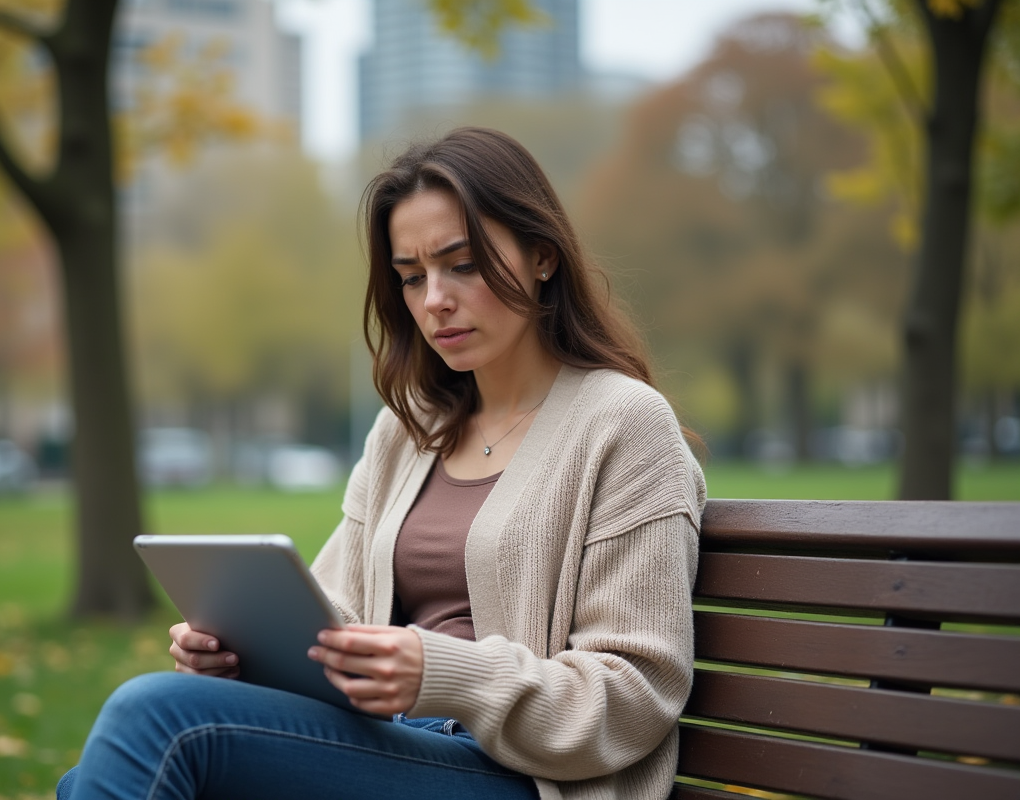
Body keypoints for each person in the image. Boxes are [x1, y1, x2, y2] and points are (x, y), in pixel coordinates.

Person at [58, 127, 705, 800]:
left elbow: (635, 693)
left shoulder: (623, 425)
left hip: (525, 780)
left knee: (154, 721)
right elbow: (332, 614)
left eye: (462, 264)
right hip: (393, 748)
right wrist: (239, 656)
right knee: (97, 771)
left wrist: (445, 674)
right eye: (411, 277)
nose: (434, 301)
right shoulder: (409, 430)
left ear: (542, 256)